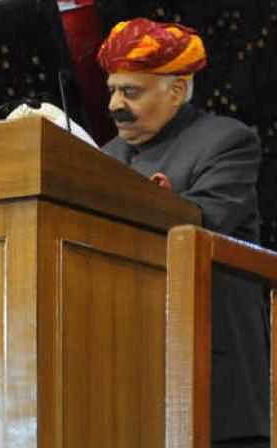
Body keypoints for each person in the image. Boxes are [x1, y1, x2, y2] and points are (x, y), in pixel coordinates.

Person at [98, 18, 269, 446]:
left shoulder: (225, 141)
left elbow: (204, 219)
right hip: (120, 381)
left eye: (130, 92)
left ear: (176, 91)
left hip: (211, 375)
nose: (115, 105)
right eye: (113, 91)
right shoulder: (102, 156)